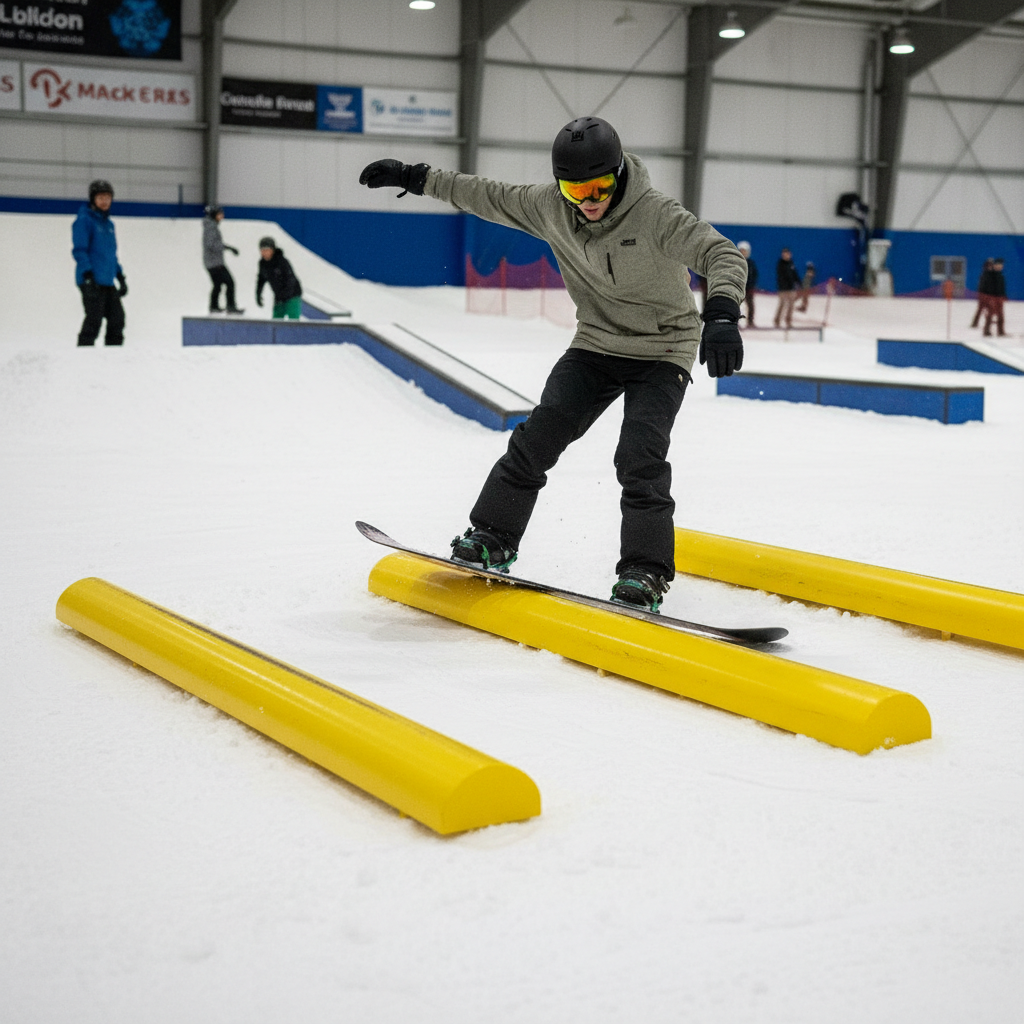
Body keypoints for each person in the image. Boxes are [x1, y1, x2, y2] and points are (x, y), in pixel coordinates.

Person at [359, 115, 746, 613]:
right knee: (537, 437)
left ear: (620, 173)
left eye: (600, 186)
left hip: (662, 349)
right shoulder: (549, 207)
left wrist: (720, 315)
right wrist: (416, 177)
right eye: (575, 188)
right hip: (596, 344)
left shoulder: (655, 214)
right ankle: (494, 537)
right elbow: (485, 194)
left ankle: (644, 571)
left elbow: (721, 255)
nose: (588, 200)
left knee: (639, 458)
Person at [71, 179, 127, 347]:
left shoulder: (109, 225)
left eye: (108, 198)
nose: (105, 201)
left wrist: (120, 276)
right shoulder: (84, 220)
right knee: (94, 320)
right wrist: (87, 275)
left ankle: (113, 356)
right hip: (91, 280)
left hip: (107, 281)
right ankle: (84, 356)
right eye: (101, 197)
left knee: (117, 319)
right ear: (93, 199)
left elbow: (111, 254)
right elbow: (80, 250)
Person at [203, 206, 243, 314]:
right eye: (220, 214)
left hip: (211, 262)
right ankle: (230, 306)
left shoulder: (210, 226)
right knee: (230, 282)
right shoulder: (211, 227)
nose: (222, 217)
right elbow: (211, 244)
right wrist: (227, 248)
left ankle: (214, 306)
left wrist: (227, 248)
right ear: (214, 215)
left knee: (218, 284)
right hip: (215, 263)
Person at [255, 236, 302, 319]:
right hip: (279, 296)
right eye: (262, 250)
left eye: (267, 250)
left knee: (293, 320)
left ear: (272, 250)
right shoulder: (263, 264)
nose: (264, 253)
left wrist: (286, 295)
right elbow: (261, 279)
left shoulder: (282, 261)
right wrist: (258, 294)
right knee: (276, 320)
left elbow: (290, 279)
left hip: (292, 294)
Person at [774, 247, 801, 329]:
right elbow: (781, 276)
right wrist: (784, 285)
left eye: (788, 254)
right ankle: (777, 321)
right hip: (783, 289)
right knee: (782, 305)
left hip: (791, 289)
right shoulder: (780, 264)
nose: (786, 255)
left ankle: (788, 321)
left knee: (791, 306)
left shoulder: (791, 263)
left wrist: (799, 283)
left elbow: (794, 274)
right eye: (784, 254)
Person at [980, 257, 1007, 337]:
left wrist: (1003, 295)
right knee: (990, 314)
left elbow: (1001, 287)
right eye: (998, 265)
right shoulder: (990, 274)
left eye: (1001, 265)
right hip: (992, 297)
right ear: (995, 265)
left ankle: (1000, 331)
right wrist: (987, 296)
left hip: (999, 297)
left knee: (1000, 315)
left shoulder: (1000, 275)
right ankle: (986, 330)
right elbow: (986, 285)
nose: (1000, 267)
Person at [737, 241, 757, 326]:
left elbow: (755, 274)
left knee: (751, 306)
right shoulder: (735, 262)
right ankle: (735, 322)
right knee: (735, 306)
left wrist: (752, 284)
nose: (743, 252)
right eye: (741, 250)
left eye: (744, 251)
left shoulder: (751, 263)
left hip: (748, 288)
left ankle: (750, 322)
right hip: (738, 288)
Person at [970, 258, 994, 328]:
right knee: (981, 309)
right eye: (988, 265)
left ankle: (987, 322)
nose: (990, 267)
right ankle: (975, 323)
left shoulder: (991, 275)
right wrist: (981, 293)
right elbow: (981, 285)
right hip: (983, 295)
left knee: (989, 309)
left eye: (991, 265)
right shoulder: (984, 275)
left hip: (988, 295)